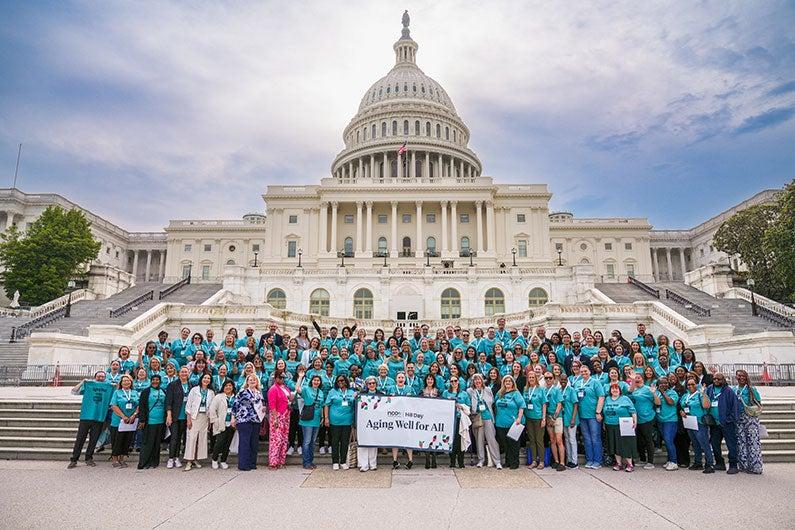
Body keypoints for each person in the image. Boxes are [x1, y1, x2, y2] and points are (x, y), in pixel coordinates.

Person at [68, 371, 114, 469]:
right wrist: (82, 382)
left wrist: (115, 385)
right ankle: (74, 459)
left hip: (99, 417)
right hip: (86, 416)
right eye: (99, 376)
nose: (101, 378)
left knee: (93, 440)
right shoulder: (89, 385)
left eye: (103, 376)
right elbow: (74, 391)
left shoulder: (109, 387)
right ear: (95, 377)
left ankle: (89, 458)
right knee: (80, 439)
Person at [706, 372, 741, 474]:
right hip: (714, 424)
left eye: (719, 379)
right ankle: (720, 463)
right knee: (714, 443)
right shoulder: (710, 389)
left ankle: (733, 465)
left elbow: (735, 407)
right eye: (715, 379)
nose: (716, 381)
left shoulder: (728, 391)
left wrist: (729, 420)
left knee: (731, 444)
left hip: (726, 423)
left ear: (723, 380)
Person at [680, 378, 715, 473]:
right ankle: (698, 462)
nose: (690, 386)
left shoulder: (700, 394)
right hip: (689, 422)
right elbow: (682, 407)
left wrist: (703, 393)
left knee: (704, 444)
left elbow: (706, 406)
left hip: (700, 422)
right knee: (695, 444)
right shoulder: (685, 396)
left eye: (692, 384)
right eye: (688, 385)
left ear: (696, 384)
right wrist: (682, 412)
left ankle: (710, 464)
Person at [233, 374, 266, 471]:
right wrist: (233, 418)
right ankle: (243, 464)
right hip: (244, 420)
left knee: (254, 443)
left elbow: (262, 404)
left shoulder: (259, 393)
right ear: (247, 382)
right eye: (250, 380)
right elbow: (235, 405)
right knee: (244, 442)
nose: (252, 381)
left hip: (256, 420)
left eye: (254, 380)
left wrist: (264, 407)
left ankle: (252, 463)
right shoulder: (242, 392)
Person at [467, 373, 500, 468]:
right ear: (473, 382)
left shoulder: (488, 390)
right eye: (475, 380)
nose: (477, 381)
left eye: (479, 379)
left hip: (488, 416)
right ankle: (481, 460)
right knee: (479, 439)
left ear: (482, 381)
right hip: (477, 417)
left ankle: (497, 461)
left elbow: (492, 402)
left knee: (491, 439)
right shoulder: (470, 391)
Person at [603, 383, 638, 472]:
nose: (614, 390)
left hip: (624, 424)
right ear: (610, 391)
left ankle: (629, 464)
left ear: (620, 390)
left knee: (626, 444)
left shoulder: (625, 399)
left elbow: (633, 410)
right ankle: (619, 463)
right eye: (613, 389)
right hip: (610, 424)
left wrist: (635, 421)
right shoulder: (607, 399)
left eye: (616, 389)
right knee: (614, 444)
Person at [734, 369, 763, 474]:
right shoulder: (734, 389)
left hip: (750, 417)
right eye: (738, 376)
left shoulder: (751, 388)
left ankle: (755, 467)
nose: (741, 378)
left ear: (746, 377)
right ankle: (743, 465)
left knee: (753, 441)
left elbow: (758, 402)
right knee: (741, 441)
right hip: (738, 417)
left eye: (743, 376)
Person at [324, 375, 356, 470]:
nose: (340, 382)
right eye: (338, 381)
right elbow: (326, 405)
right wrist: (326, 418)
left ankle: (342, 461)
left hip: (347, 420)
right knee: (334, 441)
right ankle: (335, 462)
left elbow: (356, 404)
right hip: (335, 421)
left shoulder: (352, 392)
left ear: (346, 381)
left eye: (342, 380)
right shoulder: (332, 391)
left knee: (345, 442)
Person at [576, 365, 605, 469]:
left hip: (593, 415)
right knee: (586, 438)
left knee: (595, 438)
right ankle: (589, 459)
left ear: (589, 371)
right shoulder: (578, 383)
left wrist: (598, 412)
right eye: (582, 371)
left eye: (585, 371)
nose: (584, 373)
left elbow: (601, 397)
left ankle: (597, 460)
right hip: (582, 415)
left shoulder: (595, 382)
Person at [494, 375, 526, 470]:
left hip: (513, 423)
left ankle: (514, 462)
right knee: (505, 444)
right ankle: (508, 461)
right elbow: (494, 404)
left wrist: (519, 418)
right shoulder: (500, 393)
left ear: (513, 383)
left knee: (513, 444)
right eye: (506, 381)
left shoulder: (516, 393)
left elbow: (522, 406)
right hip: (500, 423)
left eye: (509, 381)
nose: (508, 382)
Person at [183, 373, 214, 470]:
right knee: (192, 438)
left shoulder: (211, 392)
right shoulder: (194, 390)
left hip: (204, 417)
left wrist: (209, 421)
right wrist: (188, 419)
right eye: (205, 378)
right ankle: (189, 461)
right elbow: (188, 406)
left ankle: (196, 459)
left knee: (201, 439)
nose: (206, 380)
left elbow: (212, 408)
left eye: (208, 378)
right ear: (201, 379)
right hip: (194, 417)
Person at [109, 374, 139, 468]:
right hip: (118, 420)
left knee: (127, 440)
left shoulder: (134, 392)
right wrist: (123, 416)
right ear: (121, 383)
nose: (126, 382)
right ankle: (115, 458)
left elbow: (139, 405)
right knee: (117, 440)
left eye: (128, 380)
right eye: (124, 381)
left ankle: (122, 458)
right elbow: (113, 406)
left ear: (131, 382)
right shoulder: (117, 392)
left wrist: (134, 415)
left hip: (131, 421)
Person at [137, 374, 166, 469]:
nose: (155, 381)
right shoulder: (146, 392)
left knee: (157, 443)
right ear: (151, 381)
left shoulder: (163, 391)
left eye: (157, 380)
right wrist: (142, 420)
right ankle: (144, 463)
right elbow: (142, 406)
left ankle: (154, 462)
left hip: (160, 421)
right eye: (153, 379)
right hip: (149, 421)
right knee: (147, 443)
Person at [165, 366, 191, 469]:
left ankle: (176, 457)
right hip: (175, 416)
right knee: (174, 438)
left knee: (180, 437)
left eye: (186, 372)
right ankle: (171, 458)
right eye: (182, 372)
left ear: (188, 373)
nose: (184, 374)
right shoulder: (173, 385)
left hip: (185, 417)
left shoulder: (191, 385)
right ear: (179, 373)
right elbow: (168, 401)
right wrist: (169, 414)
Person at [297, 372, 325, 470]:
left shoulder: (321, 392)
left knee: (313, 442)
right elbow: (297, 389)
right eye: (314, 380)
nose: (316, 382)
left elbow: (321, 406)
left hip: (317, 419)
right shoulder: (306, 389)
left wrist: (322, 417)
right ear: (311, 381)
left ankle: (311, 461)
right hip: (307, 419)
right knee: (307, 442)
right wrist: (300, 377)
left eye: (318, 380)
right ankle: (306, 462)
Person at [267, 370, 294, 469]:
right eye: (280, 377)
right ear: (276, 378)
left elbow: (290, 399)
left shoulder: (286, 388)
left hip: (286, 415)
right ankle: (273, 462)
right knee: (276, 439)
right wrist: (275, 419)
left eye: (283, 377)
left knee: (283, 439)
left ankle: (281, 460)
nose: (282, 379)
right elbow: (272, 405)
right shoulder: (273, 389)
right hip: (277, 415)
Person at [443, 375, 470, 469]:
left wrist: (461, 406)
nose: (454, 383)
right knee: (452, 441)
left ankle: (461, 462)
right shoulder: (446, 393)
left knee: (460, 440)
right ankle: (452, 461)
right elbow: (442, 405)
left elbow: (468, 406)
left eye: (455, 381)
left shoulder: (464, 394)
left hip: (460, 419)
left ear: (458, 382)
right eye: (452, 381)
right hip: (450, 420)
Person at [629, 373, 656, 469]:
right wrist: (632, 381)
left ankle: (650, 462)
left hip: (647, 418)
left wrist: (654, 393)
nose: (637, 379)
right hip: (637, 419)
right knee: (639, 441)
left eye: (638, 378)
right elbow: (629, 393)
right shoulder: (634, 389)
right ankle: (642, 459)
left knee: (648, 440)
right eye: (635, 378)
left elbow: (657, 402)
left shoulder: (648, 389)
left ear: (643, 379)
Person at [209, 380, 236, 469]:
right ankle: (214, 459)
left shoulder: (235, 397)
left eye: (230, 385)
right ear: (223, 387)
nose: (228, 387)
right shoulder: (218, 397)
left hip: (231, 424)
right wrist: (215, 421)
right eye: (226, 386)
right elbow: (212, 410)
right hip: (221, 423)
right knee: (219, 442)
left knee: (227, 443)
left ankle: (223, 460)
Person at [653, 377, 679, 471]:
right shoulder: (657, 393)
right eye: (661, 383)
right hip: (661, 420)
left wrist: (663, 392)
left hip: (670, 420)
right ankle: (669, 460)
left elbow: (671, 402)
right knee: (666, 441)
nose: (663, 385)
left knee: (669, 441)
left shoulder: (672, 392)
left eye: (665, 383)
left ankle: (674, 461)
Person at [358, 376, 382, 472]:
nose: (372, 385)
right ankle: (363, 465)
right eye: (370, 383)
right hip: (363, 422)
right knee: (363, 442)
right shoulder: (361, 395)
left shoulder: (381, 394)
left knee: (373, 442)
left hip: (375, 423)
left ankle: (373, 464)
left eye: (373, 383)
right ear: (367, 385)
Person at [523, 371, 546, 469]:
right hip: (528, 417)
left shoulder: (540, 389)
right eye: (530, 377)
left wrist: (544, 418)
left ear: (535, 378)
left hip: (538, 417)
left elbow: (544, 404)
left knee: (539, 440)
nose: (531, 379)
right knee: (532, 440)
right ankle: (533, 461)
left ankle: (541, 461)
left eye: (533, 377)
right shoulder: (525, 389)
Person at [543, 372, 566, 471]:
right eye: (546, 378)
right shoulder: (543, 390)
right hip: (548, 417)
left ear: (553, 379)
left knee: (559, 440)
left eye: (550, 378)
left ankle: (562, 462)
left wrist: (554, 417)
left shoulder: (557, 390)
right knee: (552, 440)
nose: (548, 380)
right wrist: (547, 417)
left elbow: (559, 404)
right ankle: (556, 461)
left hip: (557, 417)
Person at [559, 374, 580, 468]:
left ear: (567, 380)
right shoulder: (559, 390)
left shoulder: (571, 390)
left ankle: (575, 461)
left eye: (565, 379)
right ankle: (569, 459)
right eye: (561, 379)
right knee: (566, 439)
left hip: (571, 417)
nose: (563, 381)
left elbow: (575, 404)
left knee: (572, 439)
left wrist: (573, 418)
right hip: (563, 418)